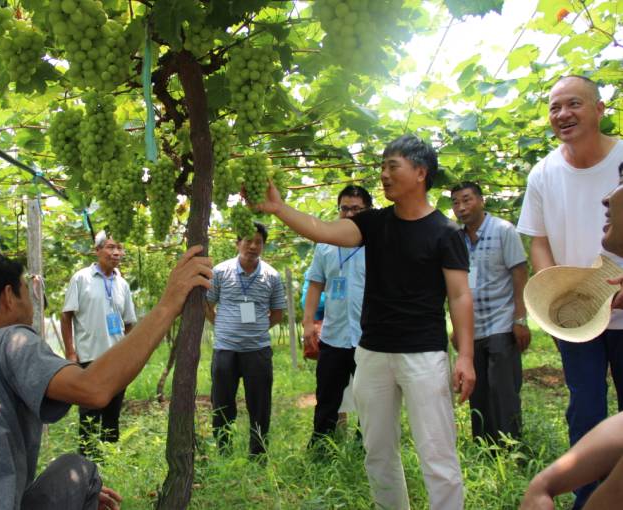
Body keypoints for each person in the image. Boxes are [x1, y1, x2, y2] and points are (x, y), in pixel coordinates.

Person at [0, 246, 212, 509]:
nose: (33, 297)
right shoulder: (10, 339)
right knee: (78, 468)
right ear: (7, 297)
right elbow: (95, 389)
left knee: (72, 483)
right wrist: (170, 303)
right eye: (26, 289)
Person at [256, 134, 475, 510]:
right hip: (372, 353)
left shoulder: (446, 232)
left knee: (437, 453)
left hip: (423, 355)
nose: (384, 175)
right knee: (377, 451)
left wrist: (466, 355)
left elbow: (459, 296)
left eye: (393, 166)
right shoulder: (373, 223)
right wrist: (280, 209)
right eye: (383, 166)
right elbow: (323, 230)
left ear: (421, 172)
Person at [516, 75, 623, 509]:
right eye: (555, 108)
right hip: (577, 320)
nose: (563, 114)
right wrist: (554, 292)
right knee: (585, 408)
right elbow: (538, 239)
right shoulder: (543, 173)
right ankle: (589, 499)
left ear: (599, 108)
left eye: (573, 104)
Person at [451, 182, 530, 444]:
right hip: (471, 327)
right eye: (456, 203)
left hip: (501, 321)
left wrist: (520, 318)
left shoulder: (502, 230)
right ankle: (485, 446)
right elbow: (451, 286)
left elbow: (519, 273)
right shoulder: (455, 239)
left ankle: (511, 447)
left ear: (481, 201)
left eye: (467, 200)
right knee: (479, 389)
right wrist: (455, 326)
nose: (461, 208)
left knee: (503, 389)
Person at [205, 222, 286, 456]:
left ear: (263, 246)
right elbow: (207, 305)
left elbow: (278, 313)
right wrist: (222, 326)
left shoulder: (272, 276)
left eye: (258, 242)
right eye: (248, 240)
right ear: (237, 242)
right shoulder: (220, 271)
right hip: (225, 349)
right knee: (222, 404)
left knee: (260, 406)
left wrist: (258, 329)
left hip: (257, 350)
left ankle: (258, 454)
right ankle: (224, 451)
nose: (252, 246)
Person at [302, 184, 371, 449]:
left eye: (356, 209)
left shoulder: (375, 243)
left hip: (368, 337)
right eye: (345, 208)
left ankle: (367, 447)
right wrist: (308, 323)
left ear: (367, 211)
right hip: (334, 334)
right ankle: (321, 447)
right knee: (327, 395)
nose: (350, 214)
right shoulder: (325, 245)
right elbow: (315, 283)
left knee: (371, 398)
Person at [61, 232, 136, 455]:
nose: (116, 253)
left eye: (120, 248)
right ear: (97, 250)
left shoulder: (122, 283)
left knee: (112, 415)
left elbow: (129, 322)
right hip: (89, 358)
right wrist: (71, 353)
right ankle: (88, 463)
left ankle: (110, 462)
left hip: (117, 360)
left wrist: (127, 353)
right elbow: (66, 316)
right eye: (111, 247)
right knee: (89, 414)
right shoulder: (81, 278)